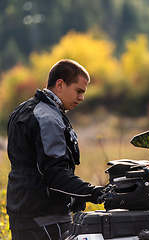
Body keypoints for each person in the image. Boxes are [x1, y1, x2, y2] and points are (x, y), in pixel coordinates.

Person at [6, 59, 107, 240]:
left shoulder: (22, 110)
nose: (82, 98)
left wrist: (75, 197)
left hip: (20, 214)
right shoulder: (48, 118)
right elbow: (54, 174)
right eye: (78, 91)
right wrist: (96, 193)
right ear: (60, 84)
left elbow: (32, 166)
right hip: (46, 219)